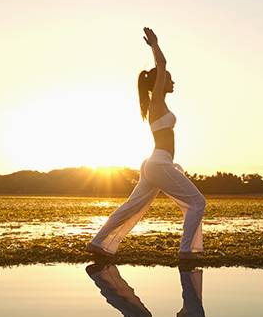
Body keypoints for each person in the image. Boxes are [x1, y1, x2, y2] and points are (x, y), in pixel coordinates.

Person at [88, 27, 206, 259]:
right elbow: (161, 64)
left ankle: (98, 242)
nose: (173, 82)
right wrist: (155, 45)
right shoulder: (157, 101)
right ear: (159, 84)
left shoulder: (157, 105)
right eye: (169, 79)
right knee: (198, 203)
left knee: (131, 206)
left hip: (155, 163)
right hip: (159, 164)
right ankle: (186, 251)